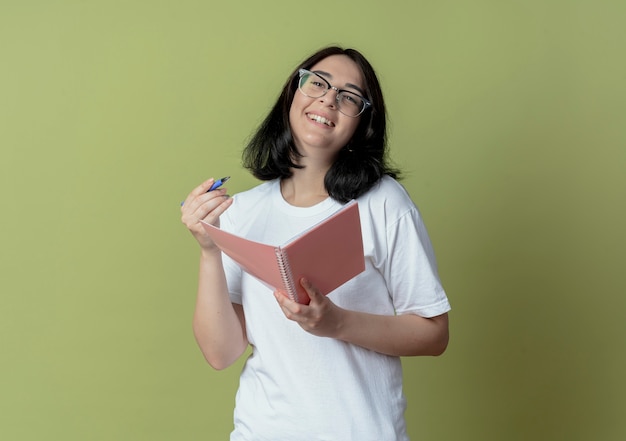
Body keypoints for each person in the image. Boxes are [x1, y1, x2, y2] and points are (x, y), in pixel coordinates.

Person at [180, 46, 451, 441]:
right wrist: (209, 249)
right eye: (318, 83)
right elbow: (221, 353)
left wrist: (337, 323)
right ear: (293, 93)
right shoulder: (242, 212)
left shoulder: (383, 203)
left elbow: (434, 334)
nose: (328, 99)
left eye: (349, 96)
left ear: (362, 124)